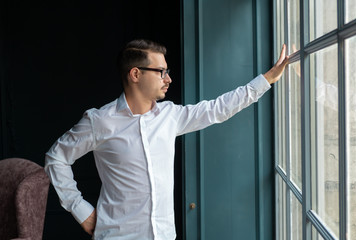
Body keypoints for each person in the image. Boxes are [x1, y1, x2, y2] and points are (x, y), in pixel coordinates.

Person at [45, 39, 289, 240]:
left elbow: (217, 109)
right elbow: (56, 158)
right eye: (161, 72)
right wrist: (81, 210)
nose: (168, 79)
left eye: (167, 72)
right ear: (135, 74)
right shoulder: (100, 121)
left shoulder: (170, 116)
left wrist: (265, 80)